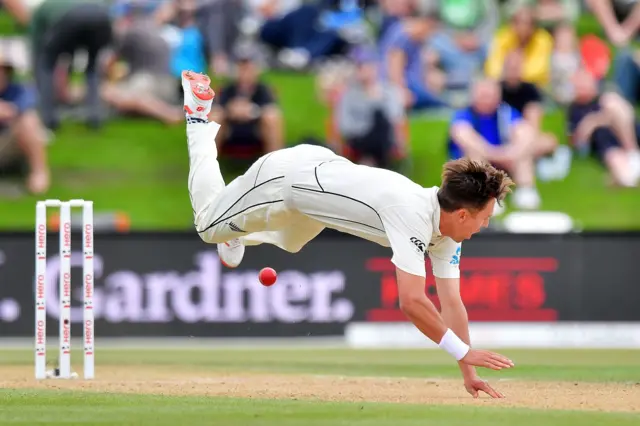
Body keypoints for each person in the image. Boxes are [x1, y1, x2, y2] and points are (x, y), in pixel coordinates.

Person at [180, 70, 515, 398]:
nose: (484, 225)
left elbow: (452, 303)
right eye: (483, 218)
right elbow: (412, 301)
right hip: (286, 178)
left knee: (292, 243)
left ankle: (239, 233)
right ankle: (198, 117)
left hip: (314, 193)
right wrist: (462, 350)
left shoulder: (447, 233)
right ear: (461, 213)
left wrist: (468, 372)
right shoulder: (411, 213)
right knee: (208, 226)